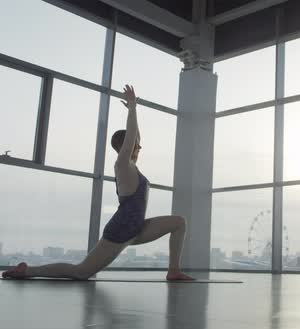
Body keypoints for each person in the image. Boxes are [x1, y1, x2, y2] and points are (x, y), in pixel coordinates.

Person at [2, 85, 194, 281]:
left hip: (136, 228)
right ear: (126, 145)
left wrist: (134, 112)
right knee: (81, 272)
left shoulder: (133, 167)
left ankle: (173, 271)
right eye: (136, 143)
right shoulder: (122, 164)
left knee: (179, 222)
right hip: (120, 230)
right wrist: (132, 109)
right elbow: (131, 136)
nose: (140, 145)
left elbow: (135, 136)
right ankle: (27, 271)